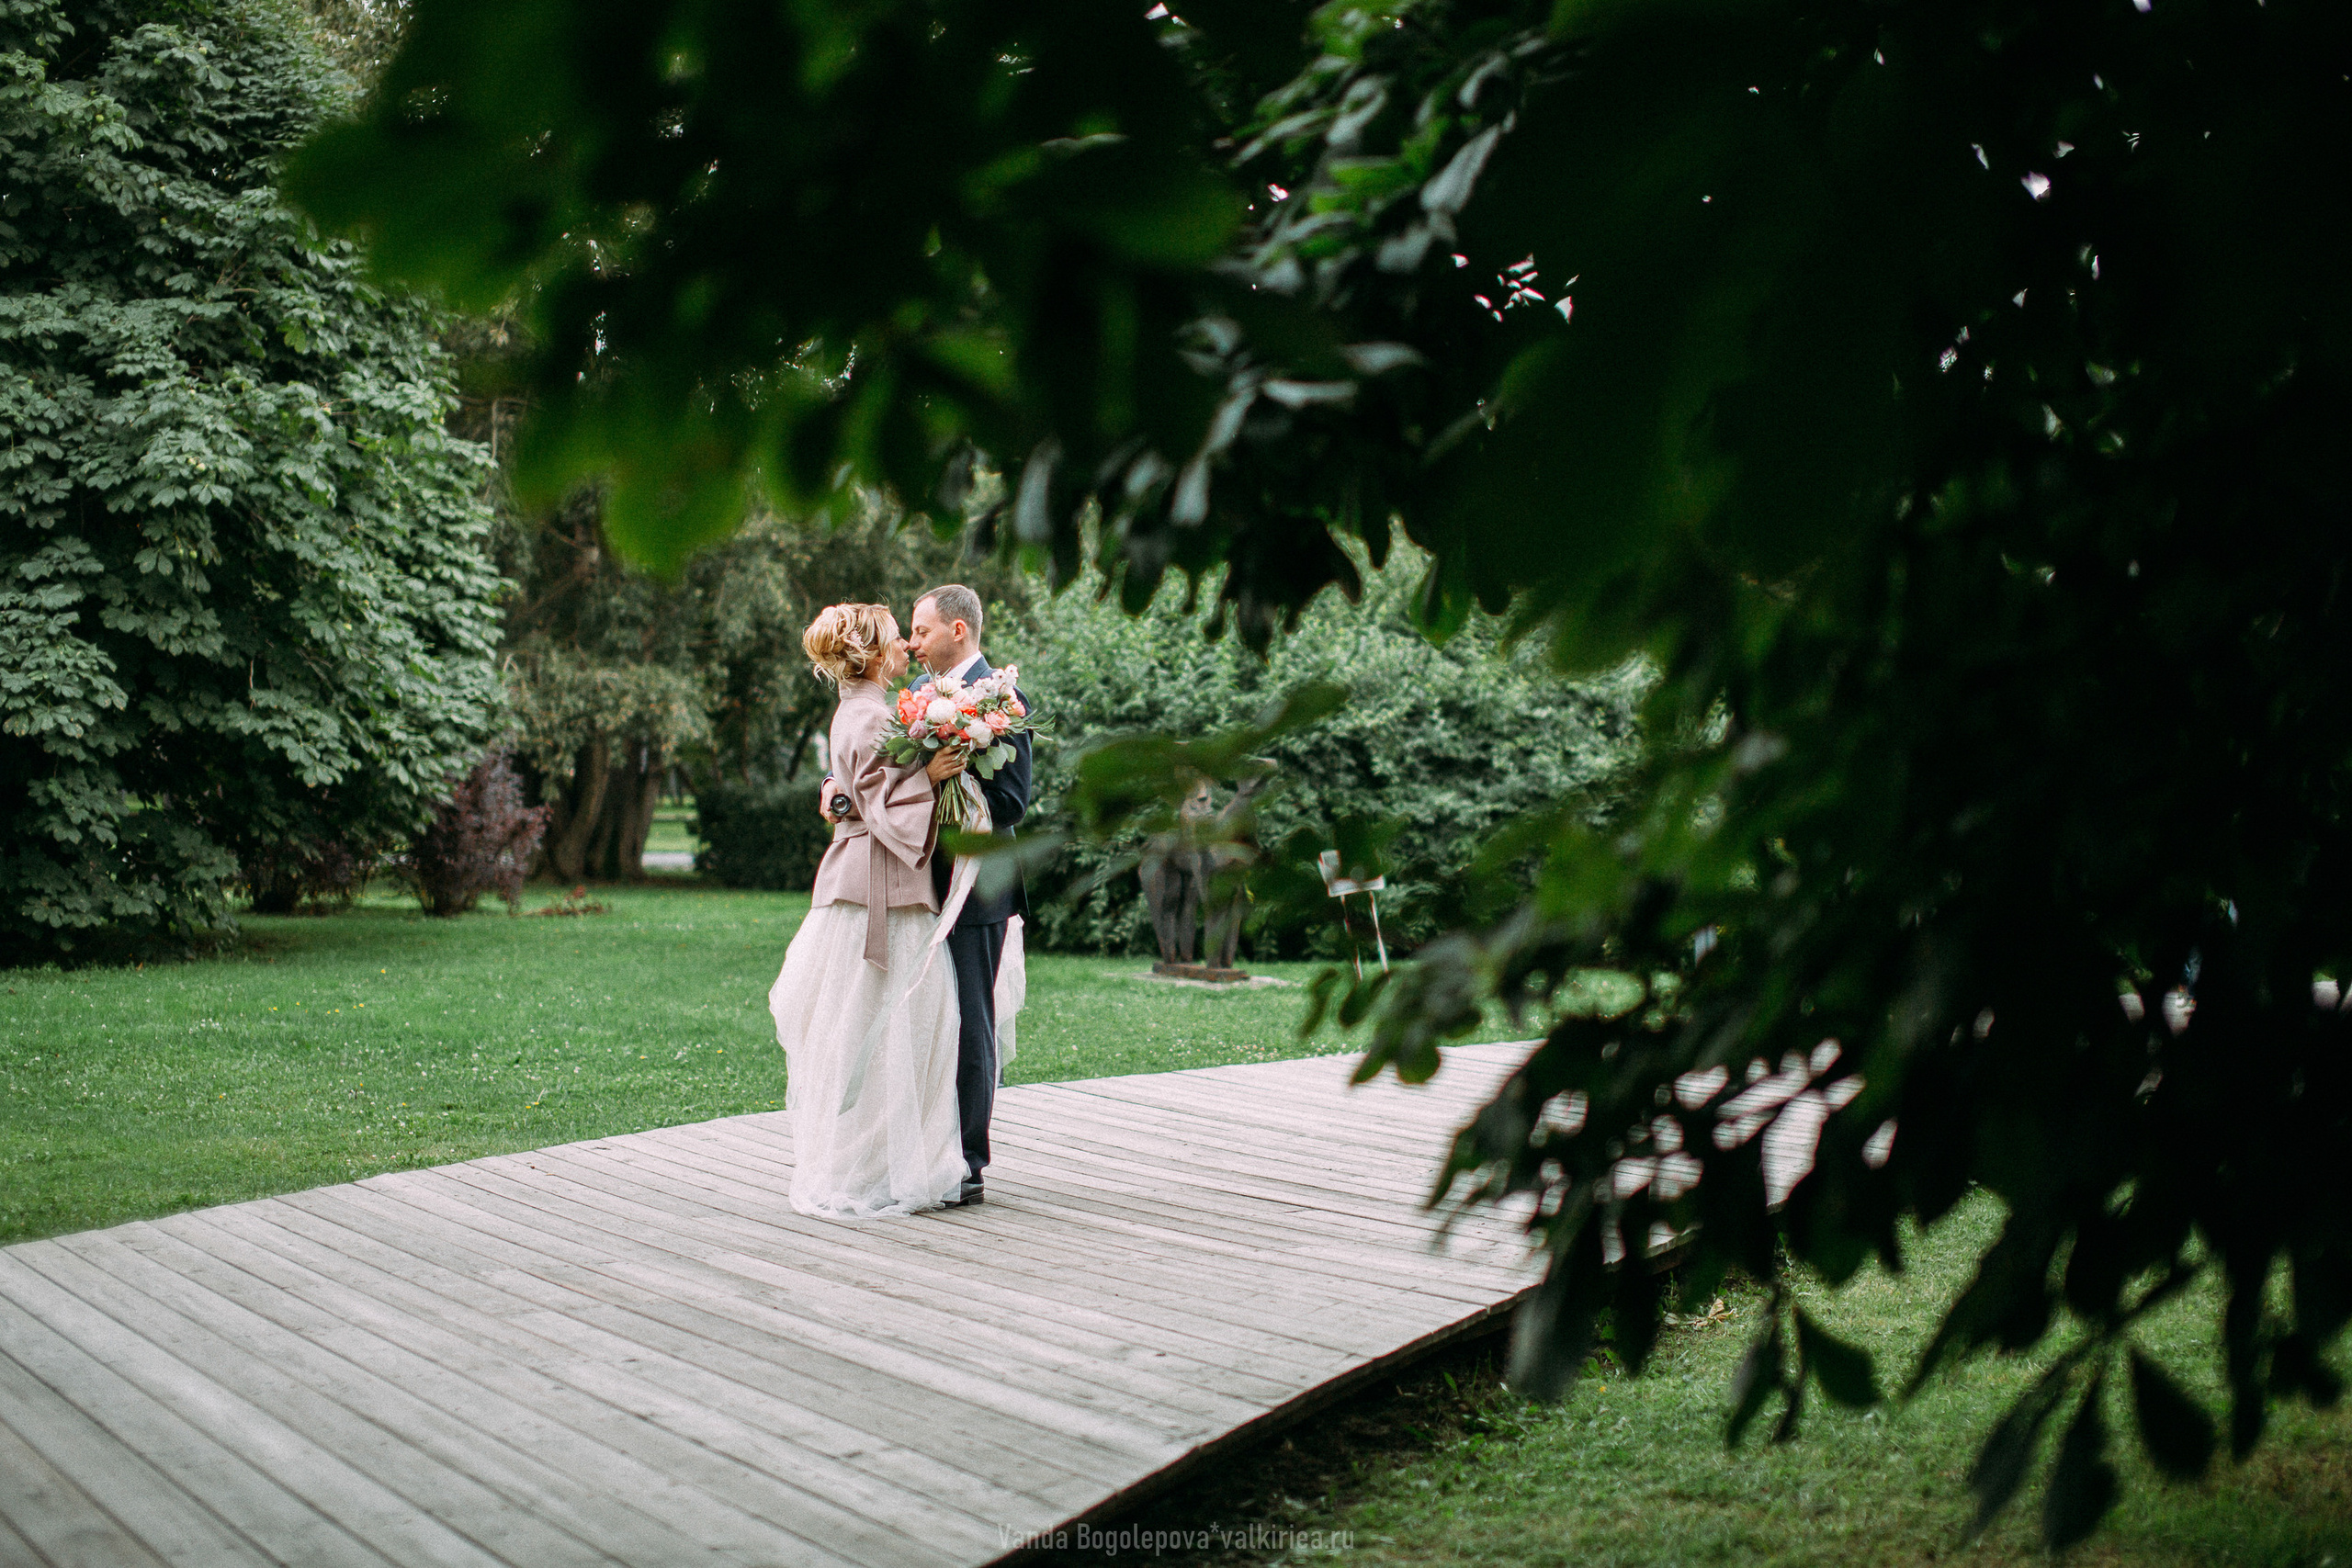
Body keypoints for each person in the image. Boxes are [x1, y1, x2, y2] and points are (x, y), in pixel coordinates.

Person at [820, 583, 1031, 1207]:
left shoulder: (1003, 699)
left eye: (921, 630)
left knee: (968, 1021)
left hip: (973, 886)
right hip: (914, 882)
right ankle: (919, 1148)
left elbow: (1013, 799)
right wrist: (839, 789)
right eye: (908, 632)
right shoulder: (916, 700)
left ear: (957, 631)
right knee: (923, 1023)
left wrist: (955, 770)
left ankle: (967, 1161)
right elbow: (874, 763)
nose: (911, 642)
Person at [768, 604, 969, 1217]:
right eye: (897, 644)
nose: (908, 649)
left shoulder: (859, 709)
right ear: (877, 656)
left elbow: (856, 790)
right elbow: (879, 801)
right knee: (886, 1026)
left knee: (890, 1026)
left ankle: (888, 1160)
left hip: (880, 883)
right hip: (874, 888)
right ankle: (868, 1167)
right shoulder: (871, 714)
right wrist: (932, 776)